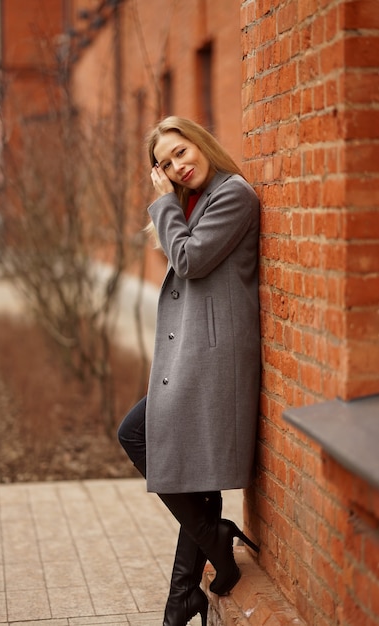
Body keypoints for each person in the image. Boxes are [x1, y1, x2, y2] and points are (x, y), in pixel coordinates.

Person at [118, 116, 260, 626]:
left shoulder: (234, 194)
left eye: (180, 153)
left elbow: (190, 259)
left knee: (138, 434)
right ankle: (186, 593)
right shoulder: (196, 199)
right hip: (195, 349)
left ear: (199, 143)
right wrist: (172, 204)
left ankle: (209, 546)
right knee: (188, 468)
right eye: (165, 164)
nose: (178, 167)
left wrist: (162, 203)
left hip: (215, 354)